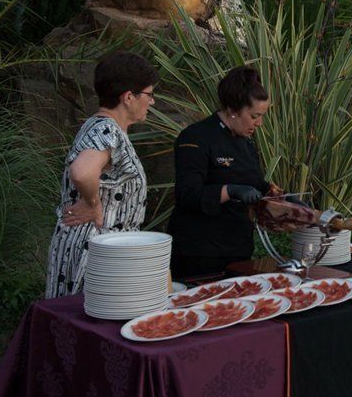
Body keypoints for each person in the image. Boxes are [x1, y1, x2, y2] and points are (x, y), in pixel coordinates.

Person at [45, 51, 159, 298]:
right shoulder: (107, 130)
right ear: (128, 97)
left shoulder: (100, 127)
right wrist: (92, 203)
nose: (152, 102)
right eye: (149, 95)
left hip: (95, 250)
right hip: (96, 254)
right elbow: (82, 171)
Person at [168, 66, 290, 281]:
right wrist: (230, 191)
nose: (259, 123)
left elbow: (254, 182)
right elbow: (187, 195)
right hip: (200, 252)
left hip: (238, 249)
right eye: (254, 116)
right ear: (233, 109)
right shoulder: (196, 137)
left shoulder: (246, 143)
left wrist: (286, 200)